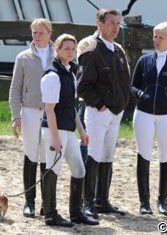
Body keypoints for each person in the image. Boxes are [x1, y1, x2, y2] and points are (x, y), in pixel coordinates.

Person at [77, 8, 131, 219]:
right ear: (99, 23)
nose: (116, 27)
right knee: (94, 154)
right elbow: (82, 85)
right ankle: (87, 202)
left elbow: (125, 81)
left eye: (118, 23)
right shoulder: (91, 49)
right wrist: (100, 104)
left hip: (116, 112)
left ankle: (102, 200)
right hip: (98, 112)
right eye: (111, 23)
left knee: (108, 155)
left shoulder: (118, 50)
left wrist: (123, 103)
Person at [40, 33, 99, 226]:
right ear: (57, 50)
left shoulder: (70, 72)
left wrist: (81, 130)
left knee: (79, 169)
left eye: (73, 49)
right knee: (52, 170)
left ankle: (76, 213)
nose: (71, 52)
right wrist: (55, 138)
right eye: (66, 48)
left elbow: (70, 106)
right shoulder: (52, 76)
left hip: (68, 129)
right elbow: (49, 109)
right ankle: (50, 214)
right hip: (54, 129)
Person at [131, 22, 167, 215]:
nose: (157, 40)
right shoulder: (144, 60)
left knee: (165, 155)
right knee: (143, 154)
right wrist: (140, 94)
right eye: (155, 36)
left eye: (161, 36)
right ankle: (144, 202)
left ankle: (162, 200)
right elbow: (133, 86)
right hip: (144, 114)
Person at [8, 18, 55, 218]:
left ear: (49, 34)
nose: (36, 36)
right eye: (34, 32)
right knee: (31, 154)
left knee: (47, 154)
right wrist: (15, 115)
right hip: (29, 110)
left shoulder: (58, 56)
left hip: (51, 112)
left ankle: (47, 202)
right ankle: (29, 202)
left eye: (40, 32)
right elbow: (15, 88)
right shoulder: (23, 57)